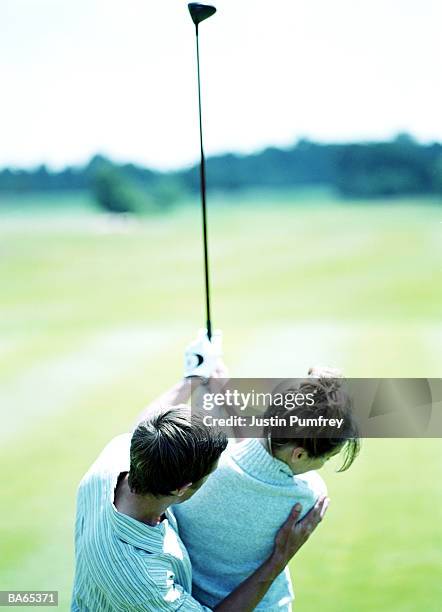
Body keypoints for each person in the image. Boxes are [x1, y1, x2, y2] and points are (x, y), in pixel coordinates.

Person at [71, 333, 329, 611]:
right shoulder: (141, 576)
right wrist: (280, 557)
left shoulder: (112, 463)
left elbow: (143, 426)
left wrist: (193, 378)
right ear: (183, 488)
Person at [174, 369, 360, 611]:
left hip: (193, 600)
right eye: (327, 458)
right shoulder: (309, 495)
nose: (322, 466)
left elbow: (247, 456)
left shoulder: (199, 468)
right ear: (300, 454)